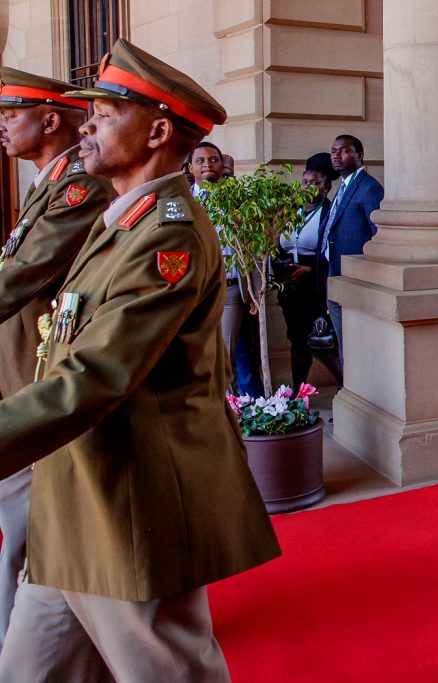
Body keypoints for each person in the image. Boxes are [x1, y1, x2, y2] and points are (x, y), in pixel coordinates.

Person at [0, 39, 280, 679]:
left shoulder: (167, 235)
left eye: (103, 114)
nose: (86, 126)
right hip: (76, 499)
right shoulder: (124, 222)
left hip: (129, 505)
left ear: (157, 133)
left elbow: (96, 374)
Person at [0, 67, 113, 649]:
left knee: (28, 531)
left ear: (48, 120)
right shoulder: (47, 183)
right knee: (21, 528)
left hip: (43, 378)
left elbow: (24, 272)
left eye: (9, 116)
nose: (1, 127)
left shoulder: (80, 186)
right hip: (21, 370)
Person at [191, 141, 263, 396]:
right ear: (190, 167)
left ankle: (227, 410)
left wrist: (255, 289)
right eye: (200, 161)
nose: (207, 165)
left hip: (229, 289)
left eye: (214, 160)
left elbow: (254, 247)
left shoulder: (238, 201)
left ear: (223, 165)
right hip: (194, 291)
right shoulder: (182, 202)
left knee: (226, 356)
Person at [277, 152, 344, 387]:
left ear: (326, 187)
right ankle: (298, 393)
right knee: (297, 341)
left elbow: (332, 253)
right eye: (305, 181)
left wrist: (310, 271)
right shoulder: (291, 211)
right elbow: (277, 245)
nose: (307, 186)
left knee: (322, 342)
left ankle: (346, 387)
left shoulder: (329, 214)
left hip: (314, 286)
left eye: (314, 182)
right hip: (290, 287)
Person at [318, 134, 384, 370]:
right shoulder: (344, 186)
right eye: (333, 151)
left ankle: (354, 386)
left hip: (356, 280)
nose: (336, 156)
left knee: (355, 347)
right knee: (344, 344)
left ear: (360, 155)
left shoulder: (369, 188)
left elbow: (378, 235)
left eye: (344, 151)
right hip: (335, 274)